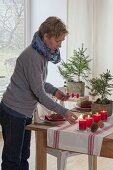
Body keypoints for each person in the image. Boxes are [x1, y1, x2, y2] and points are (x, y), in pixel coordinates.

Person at [0, 16, 78, 170]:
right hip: (13, 111)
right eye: (58, 41)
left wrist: (55, 91)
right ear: (46, 37)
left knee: (23, 156)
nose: (60, 45)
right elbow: (39, 94)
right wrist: (64, 111)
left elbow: (39, 83)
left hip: (24, 112)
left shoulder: (42, 54)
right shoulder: (33, 56)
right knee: (12, 159)